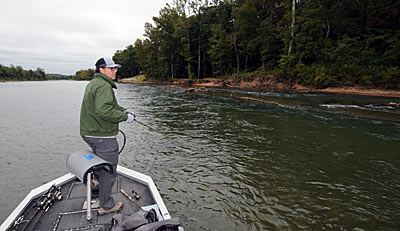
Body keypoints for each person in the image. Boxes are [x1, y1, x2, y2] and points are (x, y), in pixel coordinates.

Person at [80, 57, 135, 215]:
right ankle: (106, 205)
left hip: (89, 133)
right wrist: (125, 118)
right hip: (101, 136)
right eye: (111, 68)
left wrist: (123, 110)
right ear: (101, 70)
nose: (115, 70)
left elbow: (111, 106)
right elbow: (103, 110)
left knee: (99, 161)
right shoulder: (104, 86)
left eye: (115, 68)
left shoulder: (94, 83)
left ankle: (96, 183)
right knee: (109, 171)